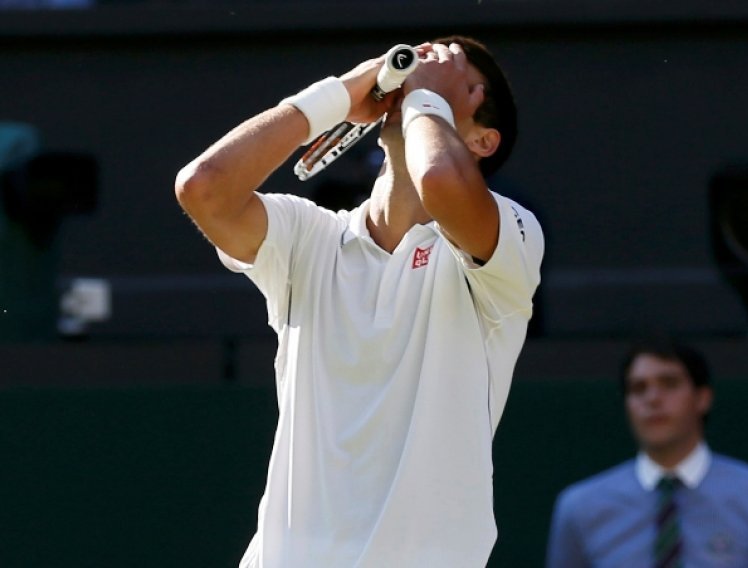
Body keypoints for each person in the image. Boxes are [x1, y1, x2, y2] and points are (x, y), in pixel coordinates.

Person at [175, 36, 544, 567]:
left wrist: (423, 97)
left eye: (454, 77)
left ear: (485, 141)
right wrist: (342, 95)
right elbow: (204, 187)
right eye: (412, 69)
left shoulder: (514, 234)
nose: (421, 77)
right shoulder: (309, 237)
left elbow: (440, 180)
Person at [546, 338, 748, 568]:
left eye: (669, 383)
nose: (653, 399)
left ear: (702, 398)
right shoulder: (580, 507)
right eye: (638, 388)